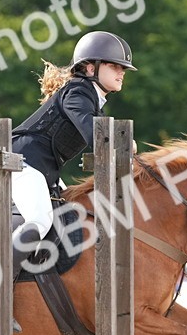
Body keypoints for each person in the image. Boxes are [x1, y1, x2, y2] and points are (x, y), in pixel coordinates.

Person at [9, 30, 135, 275]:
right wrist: (125, 143)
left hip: (42, 168)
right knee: (40, 221)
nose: (122, 72)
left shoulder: (90, 98)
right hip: (22, 162)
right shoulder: (78, 92)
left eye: (123, 68)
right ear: (90, 68)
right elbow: (95, 135)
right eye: (114, 66)